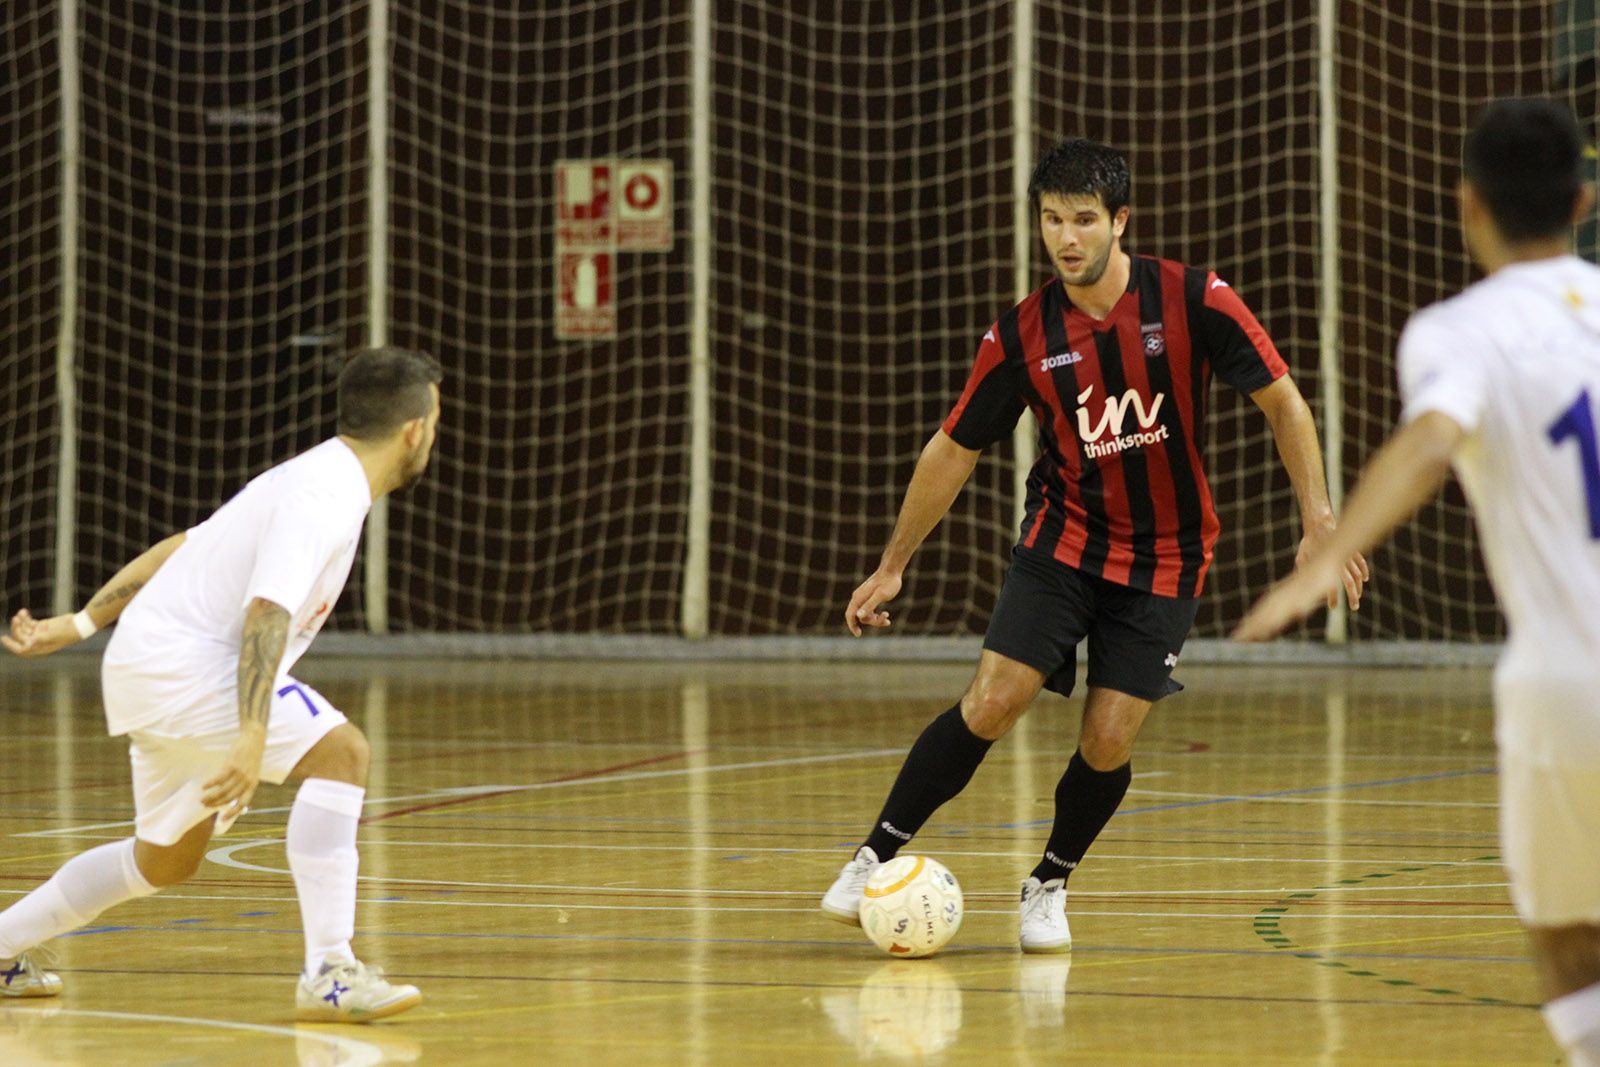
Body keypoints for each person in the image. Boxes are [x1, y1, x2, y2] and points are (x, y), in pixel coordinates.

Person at [821, 138, 1368, 952]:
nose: (1066, 237)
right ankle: (874, 854)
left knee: (1109, 735)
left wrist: (1320, 519)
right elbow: (952, 448)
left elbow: (1284, 401)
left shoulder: (1195, 299)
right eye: (1051, 220)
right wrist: (893, 563)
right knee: (993, 699)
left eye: (1083, 219)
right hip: (1064, 538)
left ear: (1121, 222)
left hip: (1168, 557)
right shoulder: (1021, 335)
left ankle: (1048, 881)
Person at [1234, 98, 1600, 1065]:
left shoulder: (1456, 331)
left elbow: (1431, 439)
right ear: (1584, 199)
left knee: (1570, 939)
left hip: (1567, 689)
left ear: (1466, 203)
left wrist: (1323, 557)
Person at [0, 346, 442, 1022]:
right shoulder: (323, 492)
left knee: (163, 863)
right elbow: (265, 611)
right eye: (435, 422)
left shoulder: (311, 476)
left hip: (149, 663)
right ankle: (330, 970)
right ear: (414, 428)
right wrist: (252, 731)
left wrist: (85, 619)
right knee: (344, 752)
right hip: (183, 664)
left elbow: (187, 544)